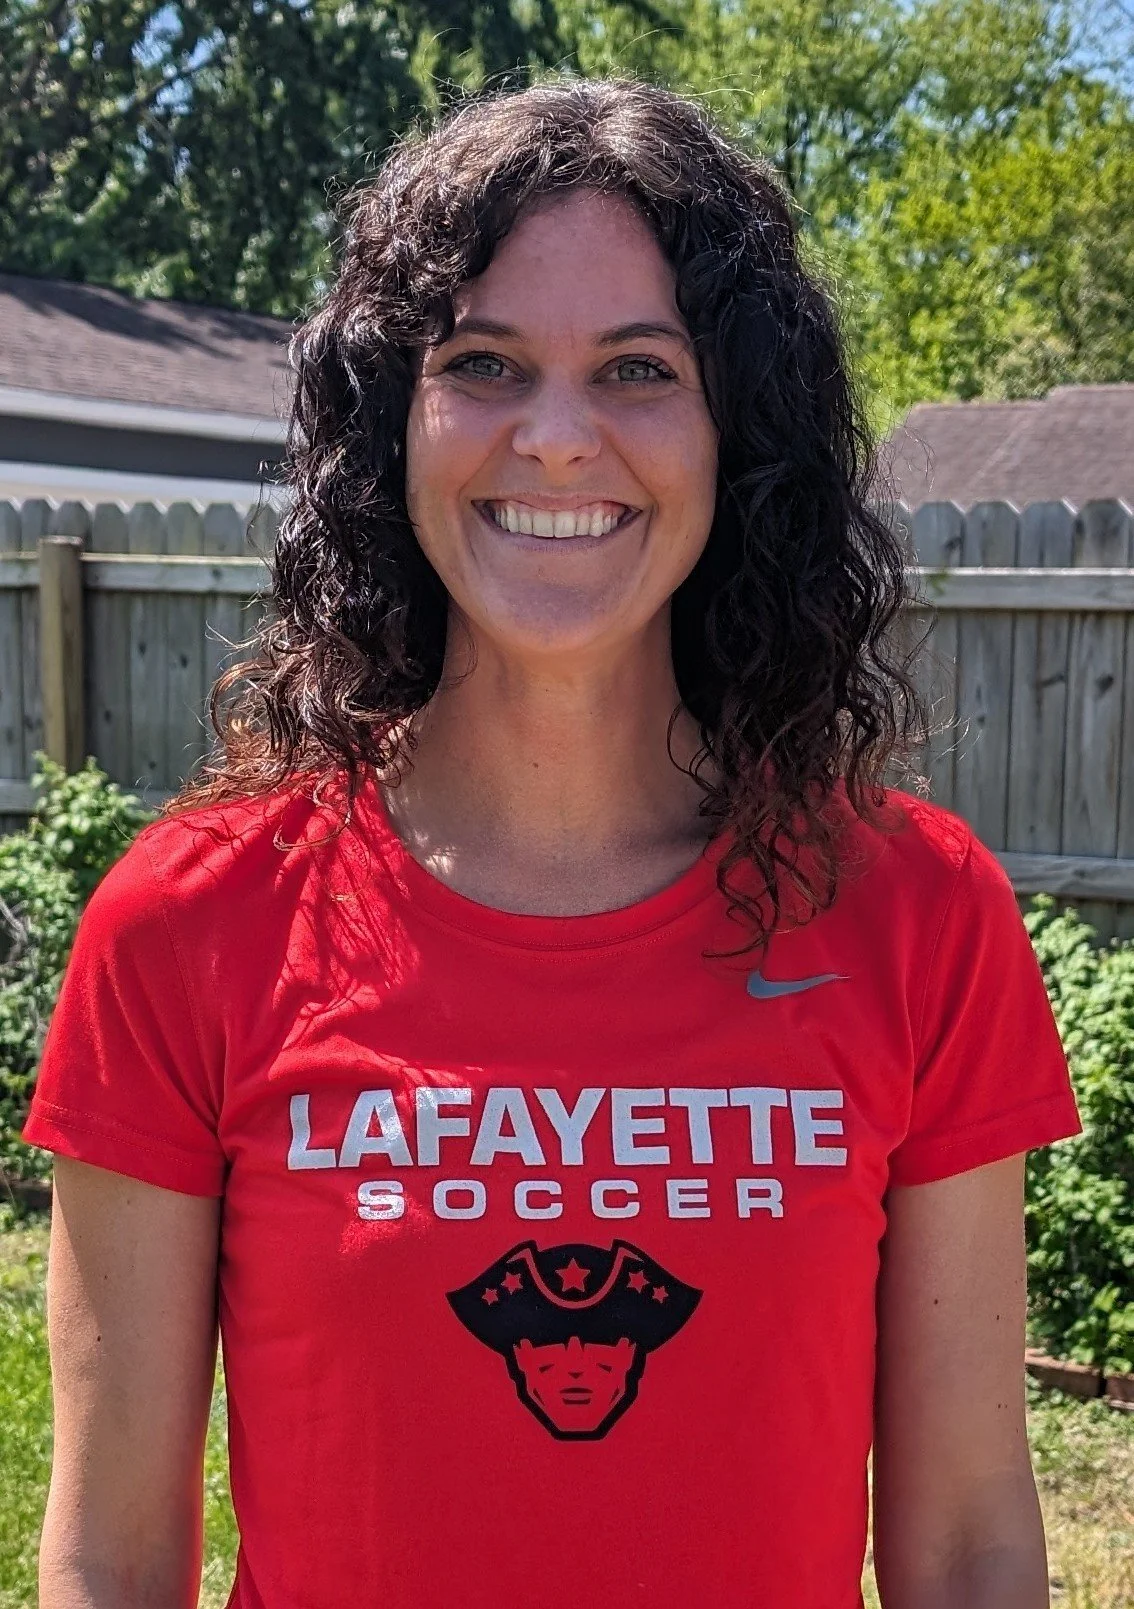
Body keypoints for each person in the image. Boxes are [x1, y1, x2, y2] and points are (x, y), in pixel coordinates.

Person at [23, 76, 1080, 1609]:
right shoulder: (190, 922)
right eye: (485, 364)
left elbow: (973, 1540)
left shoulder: (916, 910)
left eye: (640, 369)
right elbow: (110, 1559)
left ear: (742, 433)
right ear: (397, 425)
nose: (558, 439)